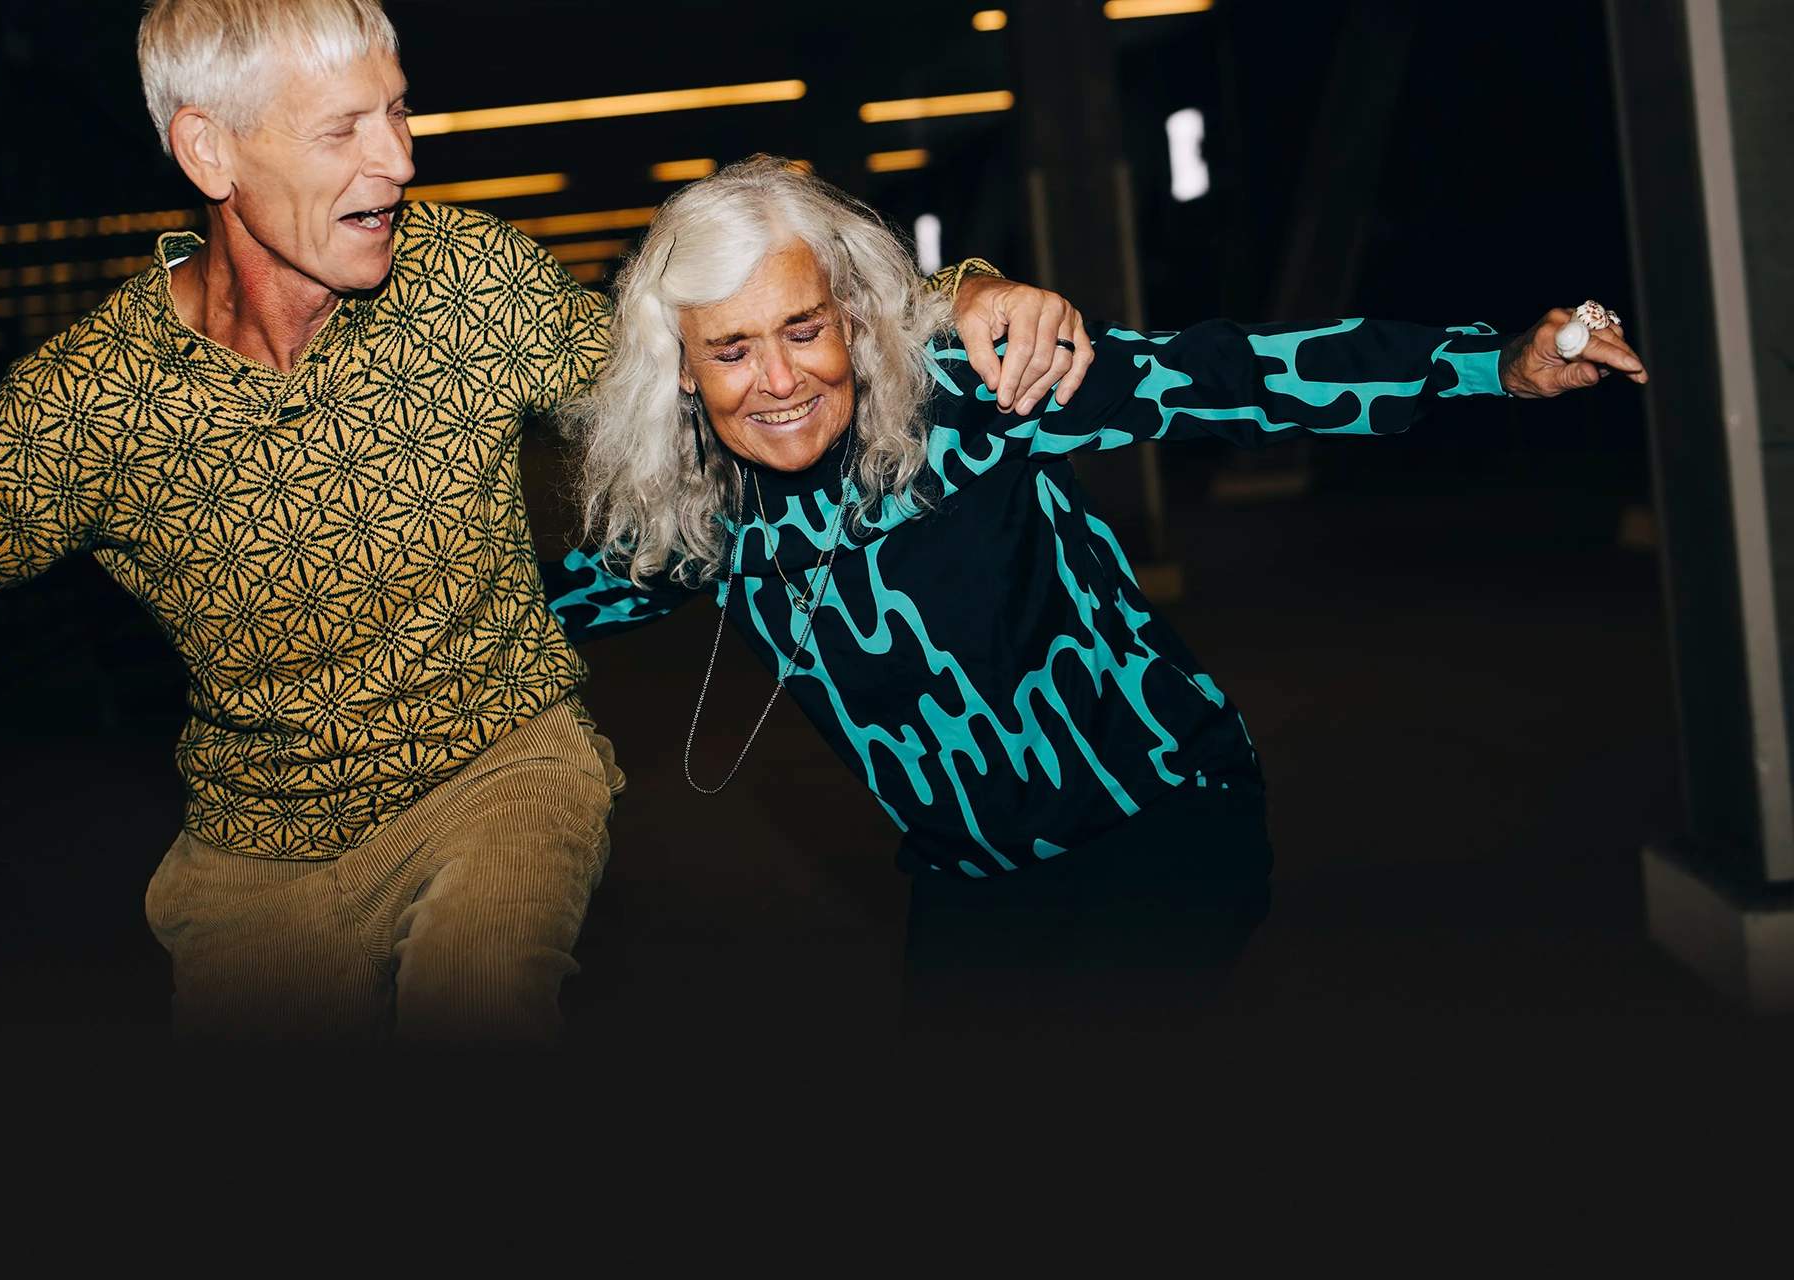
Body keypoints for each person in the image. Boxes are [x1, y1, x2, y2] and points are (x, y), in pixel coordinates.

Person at [0, 0, 1090, 1045]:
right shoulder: (88, 405)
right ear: (210, 151)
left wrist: (959, 299)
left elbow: (679, 357)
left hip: (501, 758)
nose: (398, 160)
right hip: (262, 843)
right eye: (344, 129)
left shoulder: (464, 280)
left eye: (396, 112)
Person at [544, 155, 1649, 1045]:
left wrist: (1492, 365)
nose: (779, 379)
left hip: (1158, 821)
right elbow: (514, 619)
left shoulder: (980, 399)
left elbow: (1231, 374)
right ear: (684, 372)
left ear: (848, 318)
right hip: (971, 887)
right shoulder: (703, 520)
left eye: (801, 329)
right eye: (731, 350)